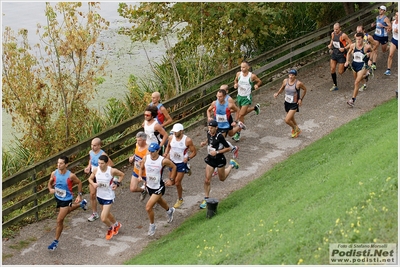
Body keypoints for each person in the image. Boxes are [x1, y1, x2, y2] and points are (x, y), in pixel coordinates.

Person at [47, 156, 87, 250]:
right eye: (58, 163)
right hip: (58, 197)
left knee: (59, 220)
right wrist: (50, 189)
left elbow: (79, 183)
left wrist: (79, 195)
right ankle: (81, 204)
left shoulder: (70, 176)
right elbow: (50, 182)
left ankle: (55, 242)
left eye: (61, 163)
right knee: (68, 210)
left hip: (66, 199)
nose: (58, 165)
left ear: (66, 165)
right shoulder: (54, 173)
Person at [138, 142, 177, 236]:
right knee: (159, 201)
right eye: (149, 151)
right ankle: (169, 210)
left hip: (159, 187)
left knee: (148, 207)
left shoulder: (163, 161)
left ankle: (152, 225)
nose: (151, 153)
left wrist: (171, 180)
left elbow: (174, 167)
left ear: (158, 151)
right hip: (150, 186)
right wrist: (140, 175)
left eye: (153, 152)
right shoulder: (146, 158)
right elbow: (141, 166)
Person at [199, 120, 239, 209]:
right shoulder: (209, 133)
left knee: (222, 178)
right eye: (209, 128)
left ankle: (231, 165)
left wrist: (217, 152)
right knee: (207, 180)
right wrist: (204, 143)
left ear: (216, 128)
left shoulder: (220, 136)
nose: (210, 129)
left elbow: (228, 148)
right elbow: (208, 138)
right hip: (210, 159)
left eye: (212, 128)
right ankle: (206, 198)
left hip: (219, 159)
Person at [88, 155, 125, 240]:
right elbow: (89, 179)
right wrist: (93, 184)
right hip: (100, 196)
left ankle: (110, 228)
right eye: (98, 163)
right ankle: (116, 224)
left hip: (109, 196)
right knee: (107, 214)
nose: (100, 165)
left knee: (103, 218)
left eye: (102, 163)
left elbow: (122, 175)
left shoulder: (111, 171)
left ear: (107, 163)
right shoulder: (96, 170)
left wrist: (117, 183)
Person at [164, 123, 197, 208]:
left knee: (177, 183)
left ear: (182, 131)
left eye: (176, 131)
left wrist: (188, 158)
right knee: (172, 181)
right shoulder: (171, 138)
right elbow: (168, 146)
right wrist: (166, 152)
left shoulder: (187, 140)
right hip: (172, 162)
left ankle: (180, 199)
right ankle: (187, 168)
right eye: (173, 131)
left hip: (181, 163)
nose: (174, 133)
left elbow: (194, 152)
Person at [84, 137, 114, 222]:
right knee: (92, 194)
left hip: (101, 177)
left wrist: (102, 170)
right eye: (92, 145)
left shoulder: (103, 154)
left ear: (99, 146)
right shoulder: (90, 152)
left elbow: (111, 164)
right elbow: (90, 160)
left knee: (102, 194)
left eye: (95, 146)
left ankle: (106, 210)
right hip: (93, 175)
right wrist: (88, 167)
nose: (93, 147)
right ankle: (94, 213)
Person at [207, 88, 242, 158]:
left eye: (220, 96)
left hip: (225, 126)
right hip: (216, 125)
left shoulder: (229, 105)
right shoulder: (214, 103)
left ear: (224, 96)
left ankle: (232, 149)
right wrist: (209, 117)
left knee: (220, 140)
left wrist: (235, 121)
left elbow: (237, 110)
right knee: (230, 134)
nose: (218, 98)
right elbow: (208, 110)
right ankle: (234, 148)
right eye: (217, 96)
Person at [232, 61, 262, 141]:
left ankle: (238, 133)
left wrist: (256, 85)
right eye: (241, 67)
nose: (242, 69)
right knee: (243, 112)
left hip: (247, 97)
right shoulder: (238, 74)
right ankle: (255, 108)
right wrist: (235, 84)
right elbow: (235, 81)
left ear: (248, 67)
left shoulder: (251, 76)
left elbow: (259, 81)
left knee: (241, 115)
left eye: (244, 67)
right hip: (239, 96)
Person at [273, 69, 307, 138]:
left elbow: (305, 90)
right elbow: (282, 88)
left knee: (287, 120)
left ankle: (296, 129)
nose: (291, 77)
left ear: (295, 76)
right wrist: (277, 93)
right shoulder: (285, 81)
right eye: (290, 75)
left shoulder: (298, 83)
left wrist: (300, 99)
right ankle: (296, 130)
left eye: (293, 75)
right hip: (287, 103)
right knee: (292, 119)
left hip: (294, 104)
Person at [345, 32, 373, 107]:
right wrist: (347, 61)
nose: (358, 41)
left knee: (356, 82)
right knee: (357, 80)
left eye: (359, 39)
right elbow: (348, 53)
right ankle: (366, 75)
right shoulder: (353, 46)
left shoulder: (366, 46)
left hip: (362, 65)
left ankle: (352, 100)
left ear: (362, 39)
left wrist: (370, 59)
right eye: (357, 39)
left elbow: (372, 51)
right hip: (354, 65)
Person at [327, 22, 352, 91]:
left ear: (340, 28)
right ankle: (335, 85)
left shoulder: (343, 35)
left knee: (340, 72)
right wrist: (330, 45)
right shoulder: (333, 34)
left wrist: (344, 48)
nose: (335, 31)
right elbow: (332, 40)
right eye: (334, 29)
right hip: (335, 53)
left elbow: (350, 43)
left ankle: (347, 65)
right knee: (332, 69)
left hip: (341, 55)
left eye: (337, 29)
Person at [355, 25, 379, 91]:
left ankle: (367, 75)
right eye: (357, 31)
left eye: (360, 31)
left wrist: (371, 51)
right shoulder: (356, 36)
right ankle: (366, 77)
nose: (358, 33)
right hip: (360, 56)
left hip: (367, 56)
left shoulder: (368, 37)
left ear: (363, 30)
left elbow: (376, 44)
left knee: (360, 73)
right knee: (358, 72)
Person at [128, 131, 149, 201]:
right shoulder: (137, 145)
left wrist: (143, 161)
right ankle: (143, 191)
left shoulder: (148, 149)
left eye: (139, 140)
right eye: (137, 140)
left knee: (152, 190)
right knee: (132, 188)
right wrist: (132, 158)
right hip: (136, 170)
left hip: (146, 173)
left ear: (144, 140)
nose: (137, 142)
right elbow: (136, 153)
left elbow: (147, 160)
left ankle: (154, 202)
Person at [371, 5, 392, 70]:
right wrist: (373, 24)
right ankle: (374, 64)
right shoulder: (377, 17)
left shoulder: (386, 18)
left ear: (384, 11)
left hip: (383, 37)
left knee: (384, 50)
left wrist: (383, 26)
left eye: (381, 10)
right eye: (379, 9)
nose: (380, 10)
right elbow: (377, 24)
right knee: (375, 49)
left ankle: (389, 47)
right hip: (377, 35)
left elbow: (390, 27)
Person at [384, 11, 398, 76]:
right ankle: (388, 70)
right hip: (394, 40)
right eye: (396, 15)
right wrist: (389, 29)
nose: (396, 16)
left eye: (398, 15)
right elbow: (391, 29)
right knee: (390, 55)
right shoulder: (394, 22)